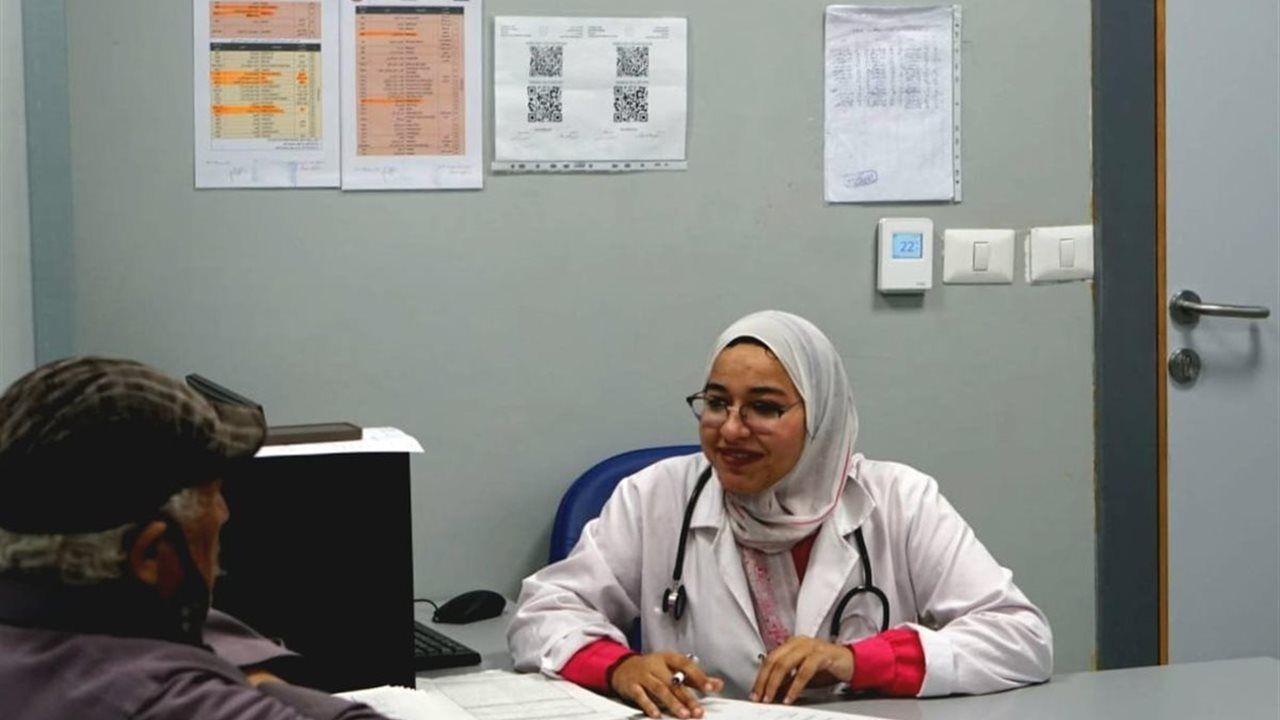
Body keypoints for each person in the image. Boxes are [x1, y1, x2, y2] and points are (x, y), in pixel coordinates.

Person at [509, 310, 1053, 718]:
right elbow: (544, 614)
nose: (730, 429)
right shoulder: (655, 496)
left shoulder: (900, 500)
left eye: (764, 407)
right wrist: (620, 666)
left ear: (821, 417)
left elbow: (1021, 638)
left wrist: (859, 660)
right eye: (716, 402)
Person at [0, 357, 388, 720]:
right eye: (213, 495)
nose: (224, 512)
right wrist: (258, 683)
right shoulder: (157, 701)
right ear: (151, 555)